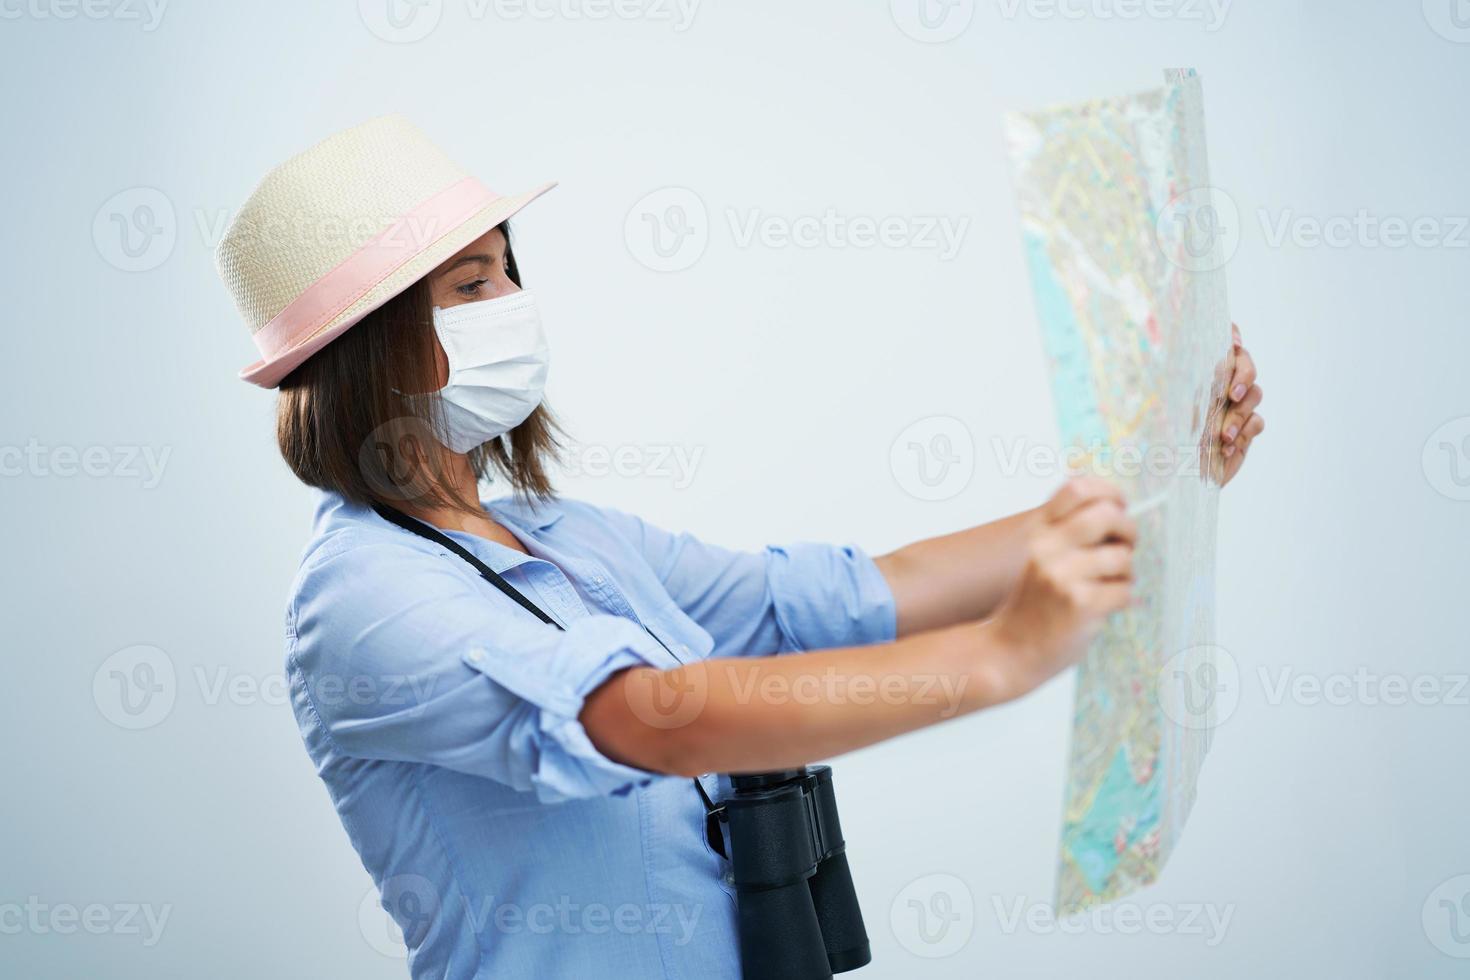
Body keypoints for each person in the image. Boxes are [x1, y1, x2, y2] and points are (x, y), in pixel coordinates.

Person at [214, 115, 1265, 979]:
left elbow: (855, 592)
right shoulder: (361, 599)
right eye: (474, 285)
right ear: (370, 345)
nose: (516, 309)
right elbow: (652, 721)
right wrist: (1002, 655)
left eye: (506, 276)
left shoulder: (564, 537)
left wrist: (1162, 472)